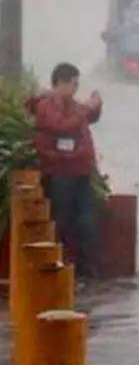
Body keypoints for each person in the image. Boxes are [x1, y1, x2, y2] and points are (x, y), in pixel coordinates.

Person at [29, 63, 103, 278]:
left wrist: (95, 106)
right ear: (60, 83)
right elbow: (62, 126)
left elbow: (89, 117)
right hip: (60, 171)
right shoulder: (46, 105)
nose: (76, 89)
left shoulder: (72, 104)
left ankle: (88, 270)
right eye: (73, 84)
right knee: (64, 221)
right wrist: (85, 110)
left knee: (88, 220)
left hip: (81, 171)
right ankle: (64, 268)